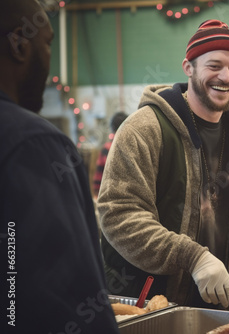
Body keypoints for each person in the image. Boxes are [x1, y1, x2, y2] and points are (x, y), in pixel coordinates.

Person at [97, 20, 229, 310]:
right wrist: (193, 257)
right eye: (214, 66)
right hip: (144, 305)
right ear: (189, 67)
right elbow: (119, 214)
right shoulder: (145, 129)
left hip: (211, 304)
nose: (225, 77)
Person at [0, 1, 119, 333]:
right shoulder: (34, 144)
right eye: (47, 42)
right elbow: (69, 298)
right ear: (20, 45)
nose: (49, 58)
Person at [92, 111, 128, 197]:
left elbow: (98, 180)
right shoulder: (133, 147)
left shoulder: (107, 148)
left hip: (111, 197)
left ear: (113, 128)